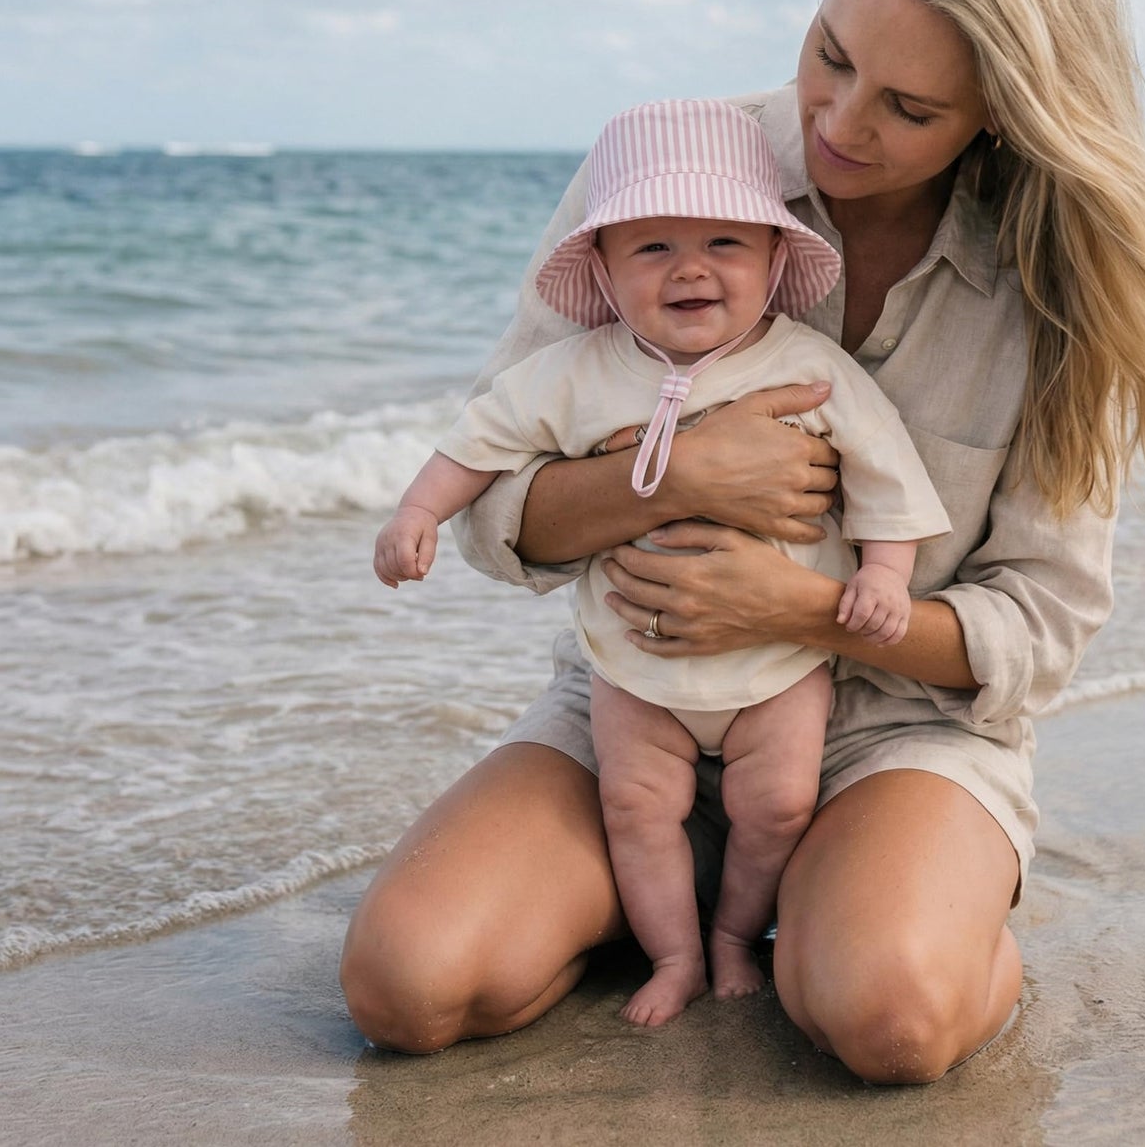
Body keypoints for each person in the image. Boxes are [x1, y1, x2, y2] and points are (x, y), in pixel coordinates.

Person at [341, 0, 1145, 1083]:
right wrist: (675, 478)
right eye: (830, 54)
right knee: (409, 986)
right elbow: (490, 510)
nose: (837, 121)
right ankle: (669, 897)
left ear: (1004, 108)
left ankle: (883, 903)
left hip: (891, 731)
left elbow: (1039, 624)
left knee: (888, 1018)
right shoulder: (664, 165)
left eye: (910, 107)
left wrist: (809, 610)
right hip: (637, 699)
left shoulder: (1053, 282)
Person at [370, 97, 950, 1027]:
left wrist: (880, 575)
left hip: (777, 672)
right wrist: (415, 511)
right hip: (633, 669)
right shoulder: (580, 371)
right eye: (650, 248)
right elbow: (479, 441)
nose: (690, 267)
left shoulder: (809, 368)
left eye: (725, 240)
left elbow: (889, 478)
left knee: (778, 806)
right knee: (637, 809)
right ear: (601, 268)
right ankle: (675, 953)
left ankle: (732, 935)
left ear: (773, 256)